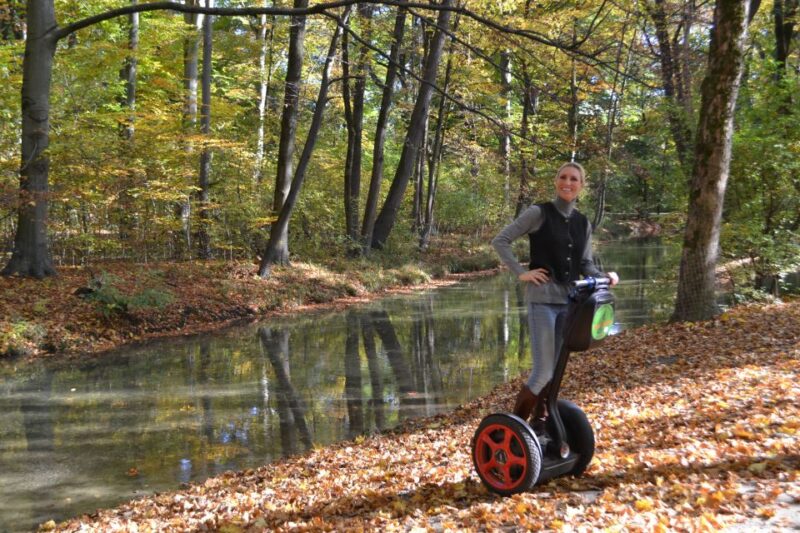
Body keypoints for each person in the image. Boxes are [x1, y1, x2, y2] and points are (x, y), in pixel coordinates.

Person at [492, 162, 619, 424]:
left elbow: (585, 264)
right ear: (555, 181)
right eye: (563, 177)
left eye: (574, 179)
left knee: (557, 371)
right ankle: (514, 431)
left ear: (581, 185)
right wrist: (520, 272)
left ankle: (541, 420)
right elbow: (501, 240)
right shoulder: (538, 213)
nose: (568, 183)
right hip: (542, 302)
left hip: (570, 304)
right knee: (542, 372)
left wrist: (605, 277)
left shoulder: (583, 223)